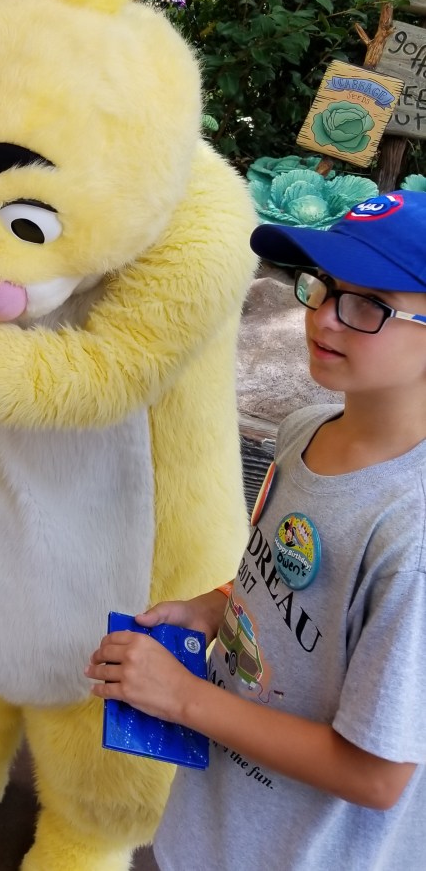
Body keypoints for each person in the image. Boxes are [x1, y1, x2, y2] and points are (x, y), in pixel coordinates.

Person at [85, 189, 426, 869]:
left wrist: (182, 697)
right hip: (214, 821)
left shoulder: (410, 537)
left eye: (367, 304)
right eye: (323, 285)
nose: (322, 316)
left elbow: (376, 775)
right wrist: (216, 605)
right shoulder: (305, 431)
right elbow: (290, 579)